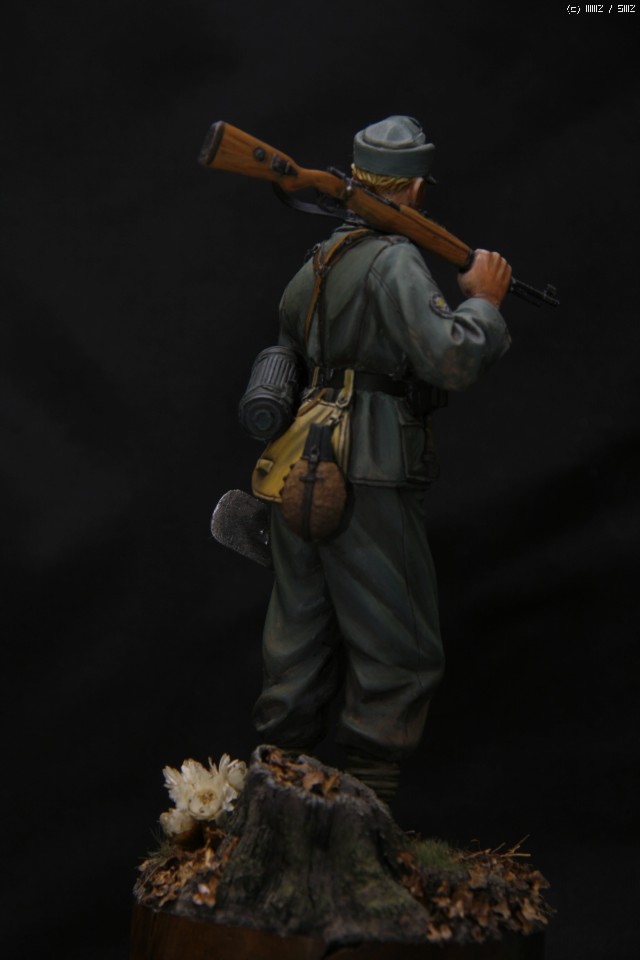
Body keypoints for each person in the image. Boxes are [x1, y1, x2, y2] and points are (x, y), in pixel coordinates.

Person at [252, 116, 512, 801]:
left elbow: (287, 341)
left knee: (296, 633)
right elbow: (450, 359)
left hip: (296, 460)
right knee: (396, 638)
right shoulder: (392, 258)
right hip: (371, 462)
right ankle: (367, 801)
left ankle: (277, 781)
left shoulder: (318, 260)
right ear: (416, 189)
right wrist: (485, 304)